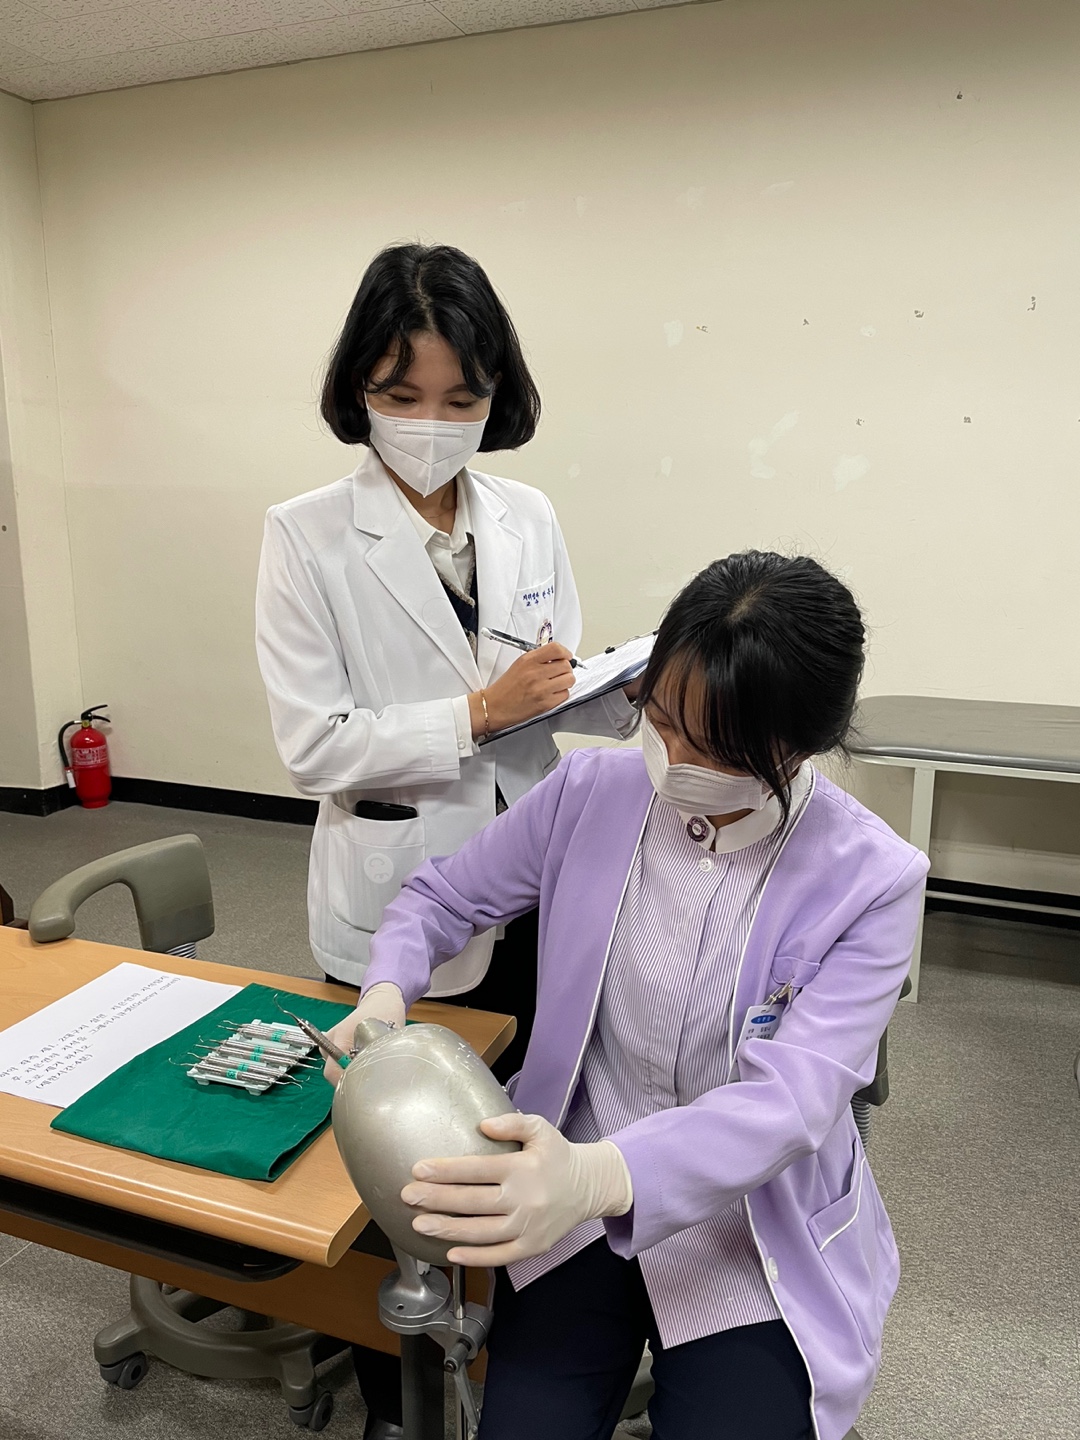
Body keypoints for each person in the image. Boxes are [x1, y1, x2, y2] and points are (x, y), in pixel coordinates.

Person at [328, 552, 930, 1440]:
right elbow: (441, 899)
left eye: (715, 748)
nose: (674, 759)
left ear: (796, 746)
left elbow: (791, 1105)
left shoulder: (872, 878)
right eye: (663, 720)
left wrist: (599, 1177)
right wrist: (384, 993)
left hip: (745, 1226)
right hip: (564, 1193)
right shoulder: (591, 793)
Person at [255, 242, 636, 1438]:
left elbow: (546, 686)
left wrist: (611, 690)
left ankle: (515, 1347)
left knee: (524, 1111)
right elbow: (313, 746)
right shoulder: (305, 535)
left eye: (460, 397)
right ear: (357, 389)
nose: (430, 422)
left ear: (496, 395)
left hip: (532, 877)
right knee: (392, 1156)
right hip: (396, 893)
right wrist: (477, 713)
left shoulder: (529, 516)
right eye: (400, 393)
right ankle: (392, 1388)